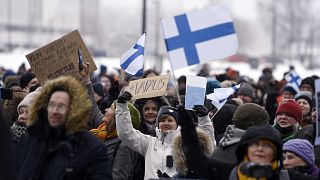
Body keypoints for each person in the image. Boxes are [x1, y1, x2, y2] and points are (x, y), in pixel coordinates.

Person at [18, 76, 112, 180]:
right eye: (51, 105)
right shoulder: (31, 138)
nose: (54, 111)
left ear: (73, 110)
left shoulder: (92, 147)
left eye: (61, 106)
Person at [115, 91, 215, 179]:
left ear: (177, 124)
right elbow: (126, 133)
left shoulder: (186, 144)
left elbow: (208, 145)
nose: (166, 123)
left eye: (170, 120)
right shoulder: (149, 142)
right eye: (162, 120)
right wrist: (122, 106)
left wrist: (204, 119)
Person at [229, 125, 318, 180]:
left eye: (267, 145)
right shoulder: (230, 173)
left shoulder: (287, 176)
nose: (260, 149)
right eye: (255, 144)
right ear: (246, 149)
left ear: (275, 152)